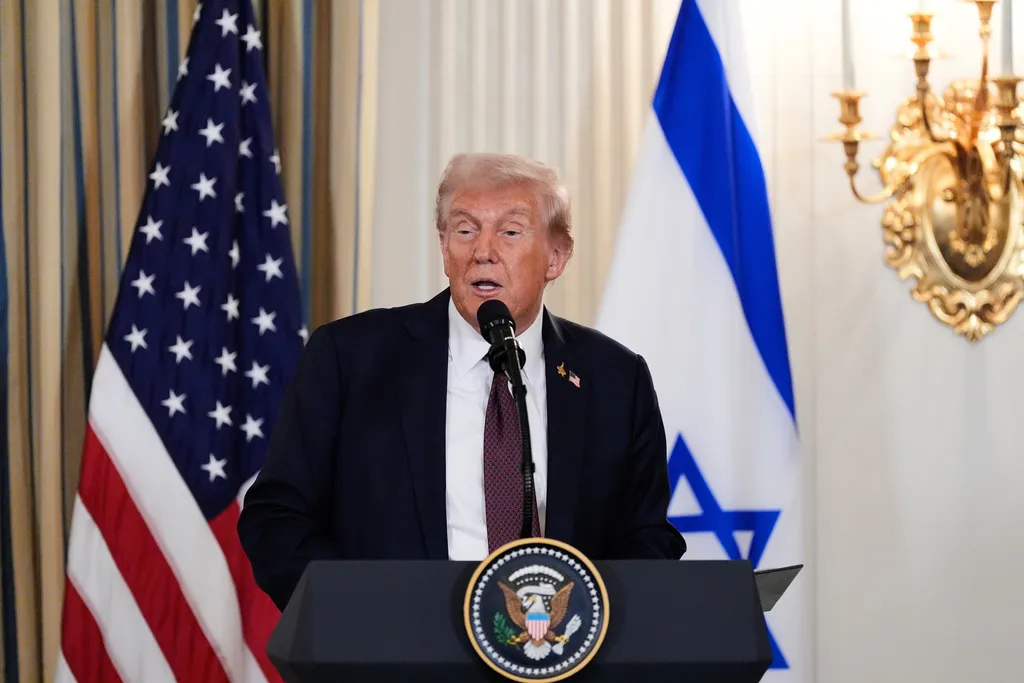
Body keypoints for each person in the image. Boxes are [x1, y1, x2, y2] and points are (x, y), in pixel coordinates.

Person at [237, 152, 686, 611]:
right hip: (391, 659)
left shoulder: (613, 379)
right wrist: (354, 619)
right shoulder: (351, 357)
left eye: (510, 232)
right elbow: (278, 516)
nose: (483, 251)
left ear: (556, 256)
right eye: (465, 230)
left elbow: (647, 538)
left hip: (555, 658)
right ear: (444, 248)